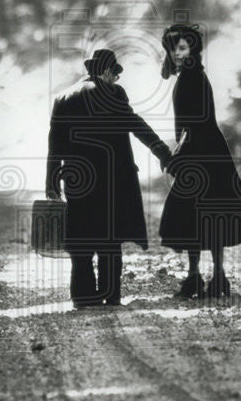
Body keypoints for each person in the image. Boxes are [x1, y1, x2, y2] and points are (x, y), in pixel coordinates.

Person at [46, 48, 172, 308]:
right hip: (113, 179)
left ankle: (82, 296)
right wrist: (161, 150)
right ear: (106, 71)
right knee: (109, 237)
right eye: (115, 75)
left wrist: (51, 182)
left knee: (81, 235)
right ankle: (110, 294)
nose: (116, 80)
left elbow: (54, 144)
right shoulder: (112, 92)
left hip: (77, 179)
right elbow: (135, 123)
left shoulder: (63, 97)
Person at [159, 24, 241, 298]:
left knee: (200, 211)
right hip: (202, 148)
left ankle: (209, 276)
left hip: (202, 150)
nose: (177, 54)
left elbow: (196, 120)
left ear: (192, 48)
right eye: (173, 49)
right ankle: (207, 276)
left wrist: (178, 153)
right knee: (198, 213)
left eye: (182, 47)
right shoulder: (189, 76)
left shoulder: (193, 77)